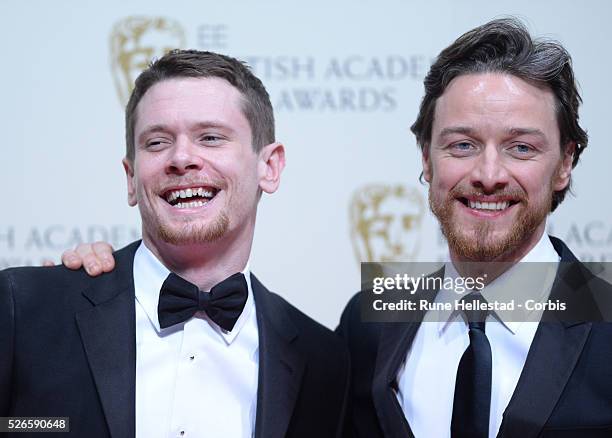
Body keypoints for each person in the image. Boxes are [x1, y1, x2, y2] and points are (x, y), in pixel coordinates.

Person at [55, 18, 612, 437]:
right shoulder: (371, 318)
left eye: (521, 147)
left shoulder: (603, 306)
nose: (488, 175)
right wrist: (97, 285)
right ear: (427, 158)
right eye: (462, 144)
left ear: (564, 162)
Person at [0, 50, 349, 438]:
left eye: (211, 138)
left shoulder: (323, 361)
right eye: (157, 142)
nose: (181, 158)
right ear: (131, 178)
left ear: (269, 167)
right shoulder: (26, 309)